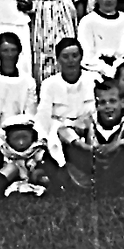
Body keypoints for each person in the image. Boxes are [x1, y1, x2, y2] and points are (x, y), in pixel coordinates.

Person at [59, 78, 124, 193]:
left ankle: (121, 185)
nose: (108, 107)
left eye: (113, 101)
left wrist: (119, 144)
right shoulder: (90, 121)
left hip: (122, 176)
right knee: (69, 142)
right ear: (97, 106)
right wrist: (82, 146)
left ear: (122, 103)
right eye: (103, 103)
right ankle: (85, 183)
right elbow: (63, 130)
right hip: (93, 173)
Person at [33, 37, 104, 167]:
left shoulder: (94, 79)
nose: (71, 61)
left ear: (81, 57)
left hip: (88, 126)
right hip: (61, 130)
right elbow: (43, 116)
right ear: (58, 59)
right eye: (65, 57)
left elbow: (100, 108)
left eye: (75, 56)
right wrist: (42, 140)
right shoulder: (49, 84)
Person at [0, 31, 39, 123]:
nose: (10, 55)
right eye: (5, 50)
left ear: (19, 51)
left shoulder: (28, 81)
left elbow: (31, 113)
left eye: (13, 50)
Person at [0, 114, 51, 195]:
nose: (21, 143)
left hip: (32, 178)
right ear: (8, 139)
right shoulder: (4, 150)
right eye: (16, 138)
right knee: (10, 169)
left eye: (25, 138)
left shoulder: (38, 150)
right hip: (10, 177)